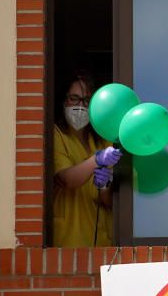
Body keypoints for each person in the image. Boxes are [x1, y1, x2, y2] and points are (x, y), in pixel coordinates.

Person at [52, 70, 123, 247]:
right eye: (74, 98)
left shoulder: (103, 140)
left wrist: (106, 186)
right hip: (70, 240)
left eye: (86, 100)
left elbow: (109, 201)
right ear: (63, 101)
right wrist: (96, 160)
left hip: (103, 241)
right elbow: (66, 179)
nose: (80, 105)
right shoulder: (56, 135)